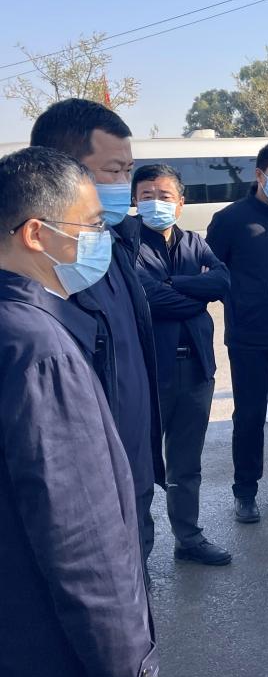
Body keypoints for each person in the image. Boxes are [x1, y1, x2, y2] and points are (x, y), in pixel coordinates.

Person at [0, 146, 160, 677]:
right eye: (90, 226)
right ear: (36, 234)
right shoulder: (38, 348)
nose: (103, 239)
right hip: (57, 672)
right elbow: (80, 536)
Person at [30, 99, 164, 570]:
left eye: (128, 170)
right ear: (63, 172)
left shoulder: (113, 245)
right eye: (112, 170)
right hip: (89, 492)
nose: (124, 184)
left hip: (133, 468)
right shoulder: (43, 271)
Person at [134, 164, 233, 566]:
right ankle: (137, 551)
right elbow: (145, 296)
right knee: (139, 463)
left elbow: (223, 282)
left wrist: (174, 285)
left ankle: (188, 538)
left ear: (180, 203)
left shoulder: (194, 242)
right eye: (146, 196)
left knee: (186, 462)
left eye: (164, 196)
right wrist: (195, 294)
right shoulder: (127, 245)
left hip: (196, 368)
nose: (155, 203)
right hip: (149, 371)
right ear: (135, 201)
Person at [207, 142, 268, 523]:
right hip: (248, 338)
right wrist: (238, 301)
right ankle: (245, 491)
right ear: (260, 175)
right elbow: (212, 271)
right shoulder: (231, 219)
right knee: (248, 417)